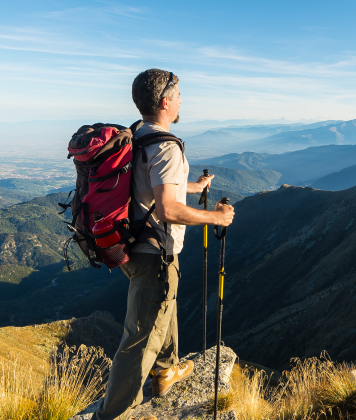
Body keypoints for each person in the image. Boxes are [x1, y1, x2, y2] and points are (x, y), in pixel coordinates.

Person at [91, 69, 235, 420]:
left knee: (162, 306)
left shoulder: (137, 136)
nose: (182, 100)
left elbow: (151, 189)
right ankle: (108, 415)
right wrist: (216, 218)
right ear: (165, 101)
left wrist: (194, 187)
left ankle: (166, 370)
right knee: (139, 340)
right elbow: (168, 209)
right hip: (153, 252)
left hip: (131, 245)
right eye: (179, 94)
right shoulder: (167, 147)